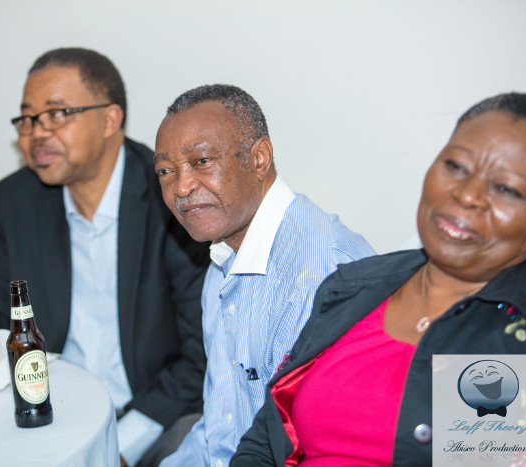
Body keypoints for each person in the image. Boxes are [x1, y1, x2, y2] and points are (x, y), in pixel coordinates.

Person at [231, 92, 526, 466]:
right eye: (456, 166)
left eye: (506, 189)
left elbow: (482, 456)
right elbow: (263, 444)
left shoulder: (523, 335)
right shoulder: (353, 286)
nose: (467, 195)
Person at [0, 48, 208, 466]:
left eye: (56, 114)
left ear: (110, 120)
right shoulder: (20, 199)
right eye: (27, 119)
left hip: (154, 416)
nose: (36, 133)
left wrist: (117, 446)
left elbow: (202, 354)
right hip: (58, 414)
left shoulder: (171, 196)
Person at [154, 84, 375, 467]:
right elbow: (221, 427)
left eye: (201, 160)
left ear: (259, 158)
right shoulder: (223, 256)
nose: (182, 186)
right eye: (165, 171)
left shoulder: (324, 275)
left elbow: (328, 449)